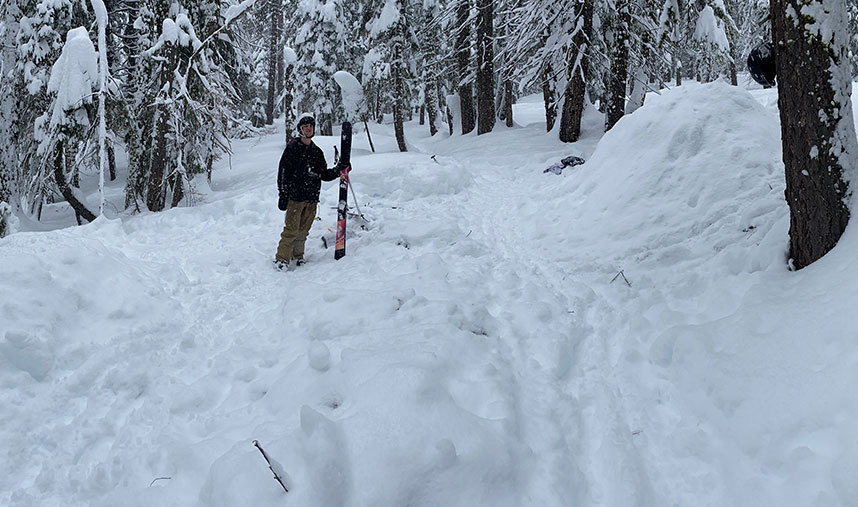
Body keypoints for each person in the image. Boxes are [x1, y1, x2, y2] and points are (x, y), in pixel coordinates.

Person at [275, 114, 341, 270]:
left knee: (303, 231)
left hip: (311, 199)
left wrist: (339, 170)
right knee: (291, 230)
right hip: (295, 198)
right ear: (300, 130)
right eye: (305, 127)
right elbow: (283, 173)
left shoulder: (316, 152)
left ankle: (298, 256)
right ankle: (282, 258)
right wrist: (283, 195)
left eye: (310, 126)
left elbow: (323, 174)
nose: (308, 129)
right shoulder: (292, 149)